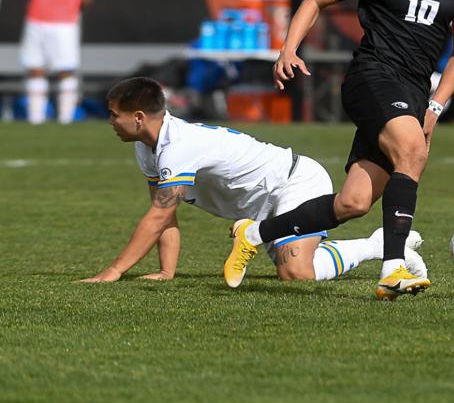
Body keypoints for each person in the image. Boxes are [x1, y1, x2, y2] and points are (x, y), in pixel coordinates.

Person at [253, 0, 454, 299]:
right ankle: (393, 268)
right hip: (371, 77)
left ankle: (254, 233)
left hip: (413, 92)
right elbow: (315, 1)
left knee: (353, 203)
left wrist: (434, 106)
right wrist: (288, 49)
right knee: (413, 152)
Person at [81, 77, 424, 285]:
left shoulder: (177, 147)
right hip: (265, 205)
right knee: (295, 271)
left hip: (295, 183)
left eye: (114, 115)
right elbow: (165, 216)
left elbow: (157, 216)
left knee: (296, 274)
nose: (110, 122)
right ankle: (367, 246)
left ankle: (375, 246)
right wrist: (166, 271)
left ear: (139, 118)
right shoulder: (148, 149)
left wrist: (114, 270)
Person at [20, 0, 95, 125]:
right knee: (35, 67)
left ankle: (65, 119)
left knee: (66, 68)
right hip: (35, 22)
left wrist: (70, 12)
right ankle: (35, 119)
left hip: (64, 24)